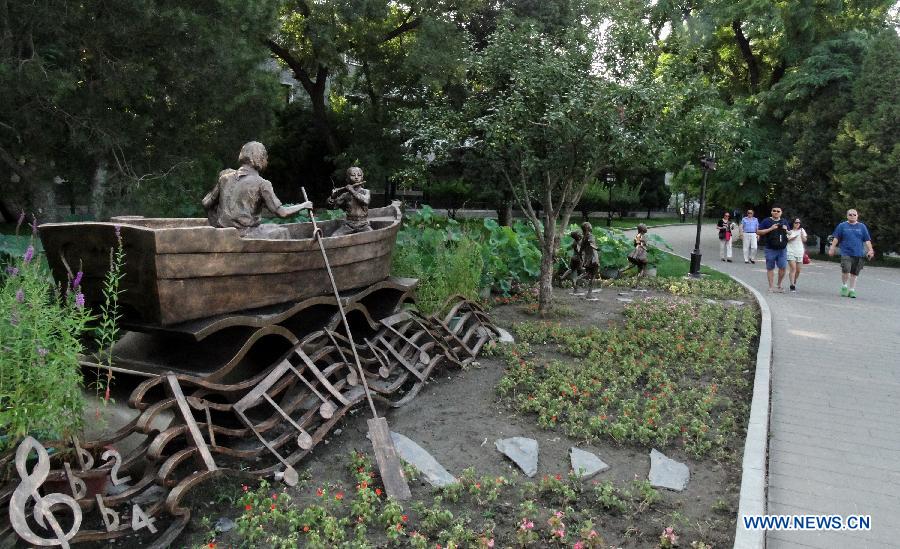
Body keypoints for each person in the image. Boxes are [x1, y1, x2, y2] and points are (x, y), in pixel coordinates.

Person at [202, 141, 312, 238]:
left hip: (224, 234)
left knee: (272, 227)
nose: (267, 160)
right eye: (265, 157)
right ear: (259, 158)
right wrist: (304, 205)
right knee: (283, 232)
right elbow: (282, 213)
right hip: (245, 234)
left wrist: (217, 224)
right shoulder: (262, 184)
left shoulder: (224, 178)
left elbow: (206, 203)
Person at [828, 209, 875, 298]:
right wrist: (832, 248)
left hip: (858, 253)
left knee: (854, 273)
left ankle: (852, 290)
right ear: (847, 216)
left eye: (854, 214)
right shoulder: (842, 226)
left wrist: (870, 250)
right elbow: (836, 238)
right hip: (846, 252)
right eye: (850, 214)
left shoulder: (862, 227)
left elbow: (867, 240)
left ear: (857, 216)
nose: (852, 216)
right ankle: (844, 286)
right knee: (846, 269)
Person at [328, 167, 372, 236]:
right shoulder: (346, 195)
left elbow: (366, 201)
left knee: (372, 236)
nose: (356, 177)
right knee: (334, 236)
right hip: (349, 225)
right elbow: (332, 207)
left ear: (362, 178)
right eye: (353, 175)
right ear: (348, 179)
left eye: (359, 175)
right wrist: (333, 197)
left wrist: (352, 190)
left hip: (363, 224)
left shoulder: (366, 192)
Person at [757, 206, 790, 292]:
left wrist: (786, 230)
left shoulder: (784, 221)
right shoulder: (766, 221)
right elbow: (758, 231)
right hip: (770, 248)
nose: (776, 212)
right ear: (771, 212)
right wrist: (770, 228)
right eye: (774, 211)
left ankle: (779, 285)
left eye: (778, 211)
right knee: (770, 268)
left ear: (781, 213)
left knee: (783, 267)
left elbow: (790, 233)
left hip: (782, 249)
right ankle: (771, 286)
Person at [786, 218, 808, 292]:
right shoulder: (789, 231)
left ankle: (794, 280)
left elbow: (805, 240)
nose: (798, 224)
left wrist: (802, 235)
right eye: (796, 222)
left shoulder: (802, 230)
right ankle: (792, 285)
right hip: (790, 251)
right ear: (793, 223)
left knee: (798, 270)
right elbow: (786, 240)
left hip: (799, 251)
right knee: (793, 268)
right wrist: (791, 238)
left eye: (799, 223)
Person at [580, 222, 600, 296]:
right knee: (593, 275)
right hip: (593, 258)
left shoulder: (584, 237)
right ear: (588, 228)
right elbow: (592, 244)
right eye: (590, 225)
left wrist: (581, 256)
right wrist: (597, 248)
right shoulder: (590, 236)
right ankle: (589, 293)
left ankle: (578, 280)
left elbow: (581, 249)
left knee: (588, 273)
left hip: (587, 259)